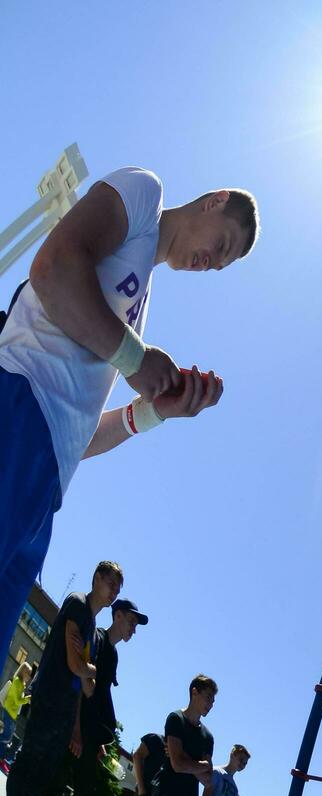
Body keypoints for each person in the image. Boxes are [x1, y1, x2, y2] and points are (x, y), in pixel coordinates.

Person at [0, 170, 252, 667]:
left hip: (48, 477)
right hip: (19, 408)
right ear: (213, 200)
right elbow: (52, 268)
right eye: (220, 244)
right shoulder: (144, 195)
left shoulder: (138, 308)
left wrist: (156, 411)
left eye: (220, 266)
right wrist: (137, 361)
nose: (209, 263)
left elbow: (81, 436)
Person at [3, 560, 118, 796]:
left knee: (43, 771)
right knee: (29, 761)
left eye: (118, 588)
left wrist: (87, 669)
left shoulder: (93, 633)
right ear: (96, 578)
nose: (114, 592)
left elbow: (90, 689)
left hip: (67, 709)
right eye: (111, 583)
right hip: (50, 695)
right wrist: (89, 669)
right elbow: (75, 666)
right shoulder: (78, 604)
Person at [36, 596, 144, 796]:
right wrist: (76, 730)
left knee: (85, 794)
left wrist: (98, 742)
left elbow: (101, 695)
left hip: (92, 735)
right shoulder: (94, 638)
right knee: (57, 781)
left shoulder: (114, 655)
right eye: (131, 621)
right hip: (76, 728)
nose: (134, 627)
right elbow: (81, 686)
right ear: (117, 616)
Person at [0, 661, 33, 771]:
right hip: (9, 712)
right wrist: (27, 699)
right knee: (5, 736)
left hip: (12, 714)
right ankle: (1, 758)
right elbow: (17, 700)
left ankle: (1, 758)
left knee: (7, 737)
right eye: (28, 673)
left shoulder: (21, 684)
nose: (30, 676)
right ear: (23, 672)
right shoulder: (17, 682)